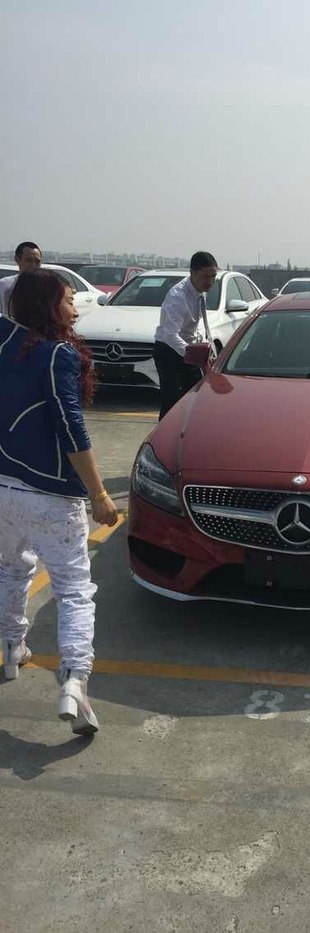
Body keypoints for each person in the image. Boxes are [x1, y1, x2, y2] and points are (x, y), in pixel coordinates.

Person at [0, 270, 118, 734]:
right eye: (69, 299)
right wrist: (100, 494)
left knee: (12, 570)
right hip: (50, 495)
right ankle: (74, 681)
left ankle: (13, 647)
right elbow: (71, 429)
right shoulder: (57, 355)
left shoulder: (5, 343)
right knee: (73, 591)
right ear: (48, 306)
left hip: (4, 487)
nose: (75, 307)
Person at [153, 251, 218, 419]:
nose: (210, 282)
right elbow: (170, 335)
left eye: (213, 277)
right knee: (172, 400)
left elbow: (193, 326)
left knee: (196, 394)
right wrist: (193, 355)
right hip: (168, 350)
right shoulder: (177, 297)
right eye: (205, 277)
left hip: (187, 347)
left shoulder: (200, 290)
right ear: (192, 273)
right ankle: (166, 432)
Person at [0, 241, 42, 316]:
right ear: (17, 259)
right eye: (29, 260)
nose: (33, 265)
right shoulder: (4, 285)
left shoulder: (48, 287)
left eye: (37, 261)